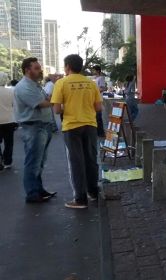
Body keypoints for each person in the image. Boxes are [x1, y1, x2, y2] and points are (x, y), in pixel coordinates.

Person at [51, 54, 102, 209]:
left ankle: (80, 199)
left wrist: (69, 107)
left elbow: (56, 108)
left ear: (67, 67)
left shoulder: (61, 83)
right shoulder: (91, 83)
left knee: (76, 162)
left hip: (71, 127)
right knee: (91, 159)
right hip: (90, 125)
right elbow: (99, 107)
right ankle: (93, 192)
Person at [14, 57, 57, 203]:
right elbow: (43, 103)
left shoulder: (34, 85)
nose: (40, 70)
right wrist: (56, 98)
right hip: (34, 127)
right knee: (33, 161)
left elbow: (47, 99)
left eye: (39, 68)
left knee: (39, 161)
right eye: (36, 68)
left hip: (42, 126)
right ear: (27, 70)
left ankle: (38, 190)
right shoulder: (24, 86)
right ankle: (32, 193)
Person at [0, 83, 16, 171]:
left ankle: (0, 159)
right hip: (9, 120)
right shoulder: (11, 91)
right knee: (9, 142)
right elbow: (15, 105)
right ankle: (7, 161)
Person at [92, 65, 106, 137]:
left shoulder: (101, 78)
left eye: (94, 70)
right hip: (93, 99)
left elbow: (102, 88)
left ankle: (101, 133)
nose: (93, 71)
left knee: (98, 117)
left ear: (97, 70)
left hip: (98, 99)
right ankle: (97, 132)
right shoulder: (94, 78)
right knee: (95, 117)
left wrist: (94, 92)